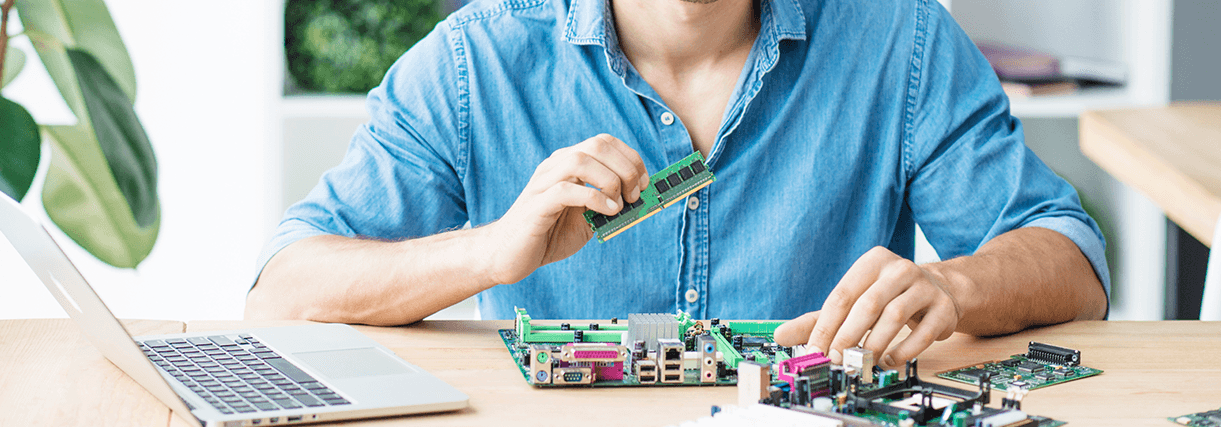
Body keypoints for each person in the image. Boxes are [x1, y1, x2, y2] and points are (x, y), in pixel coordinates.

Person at [246, 0, 1109, 369]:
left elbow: (1072, 264)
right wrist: (489, 250)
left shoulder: (900, 39)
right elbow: (282, 293)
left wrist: (948, 285)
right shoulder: (478, 60)